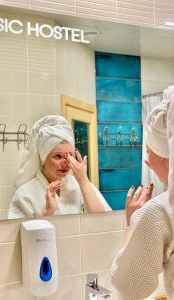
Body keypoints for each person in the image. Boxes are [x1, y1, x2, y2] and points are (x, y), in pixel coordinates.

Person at [111, 85, 174, 300]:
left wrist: (132, 222)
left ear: (168, 156)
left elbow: (128, 289)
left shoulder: (161, 211)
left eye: (149, 151)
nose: (146, 160)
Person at [8, 115, 111, 219]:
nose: (66, 162)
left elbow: (102, 221)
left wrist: (83, 180)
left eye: (70, 155)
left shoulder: (79, 184)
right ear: (43, 158)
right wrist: (48, 213)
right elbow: (21, 233)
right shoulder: (25, 194)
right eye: (58, 156)